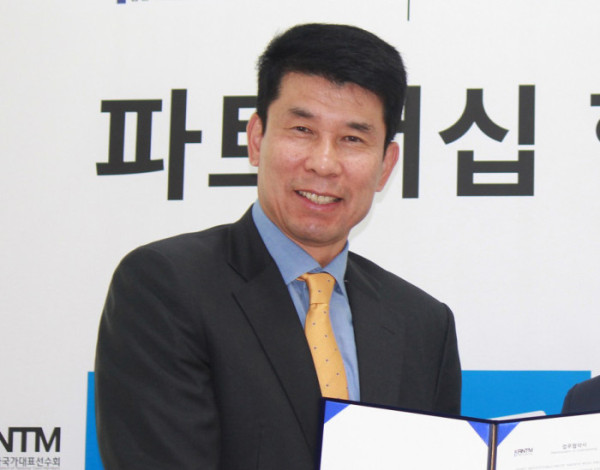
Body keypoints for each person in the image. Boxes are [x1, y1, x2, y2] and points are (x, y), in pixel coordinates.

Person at [95, 23, 461, 470]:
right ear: (256, 138)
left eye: (352, 139)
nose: (323, 163)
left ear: (386, 165)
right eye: (302, 129)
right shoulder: (165, 287)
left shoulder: (423, 325)